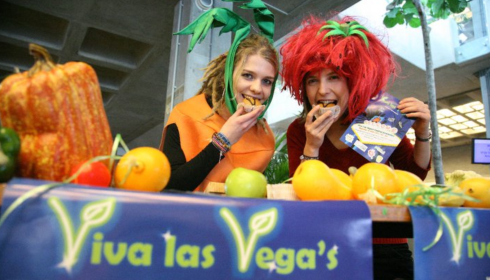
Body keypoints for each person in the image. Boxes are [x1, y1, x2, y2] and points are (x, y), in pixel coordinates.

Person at [280, 16, 431, 280]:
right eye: (312, 80)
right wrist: (312, 146)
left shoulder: (378, 119)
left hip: (386, 245)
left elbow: (414, 176)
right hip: (327, 246)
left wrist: (422, 133)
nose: (322, 90)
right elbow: (302, 193)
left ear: (354, 79)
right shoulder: (299, 130)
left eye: (334, 77)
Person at [159, 33, 279, 192]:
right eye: (248, 75)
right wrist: (223, 141)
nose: (257, 88)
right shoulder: (185, 115)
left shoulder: (265, 138)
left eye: (267, 81)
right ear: (228, 74)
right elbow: (170, 186)